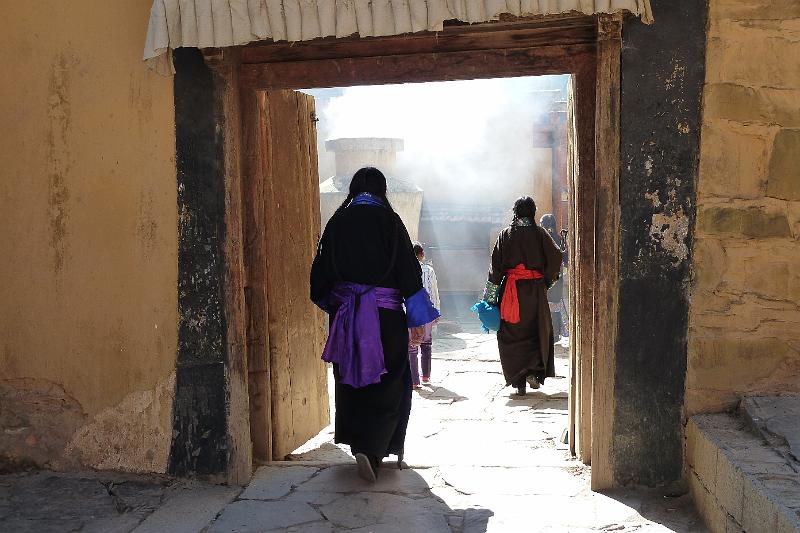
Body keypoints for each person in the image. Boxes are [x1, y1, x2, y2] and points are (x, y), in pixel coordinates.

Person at [310, 167, 439, 482]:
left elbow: (319, 276)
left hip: (346, 316)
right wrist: (417, 319)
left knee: (349, 377)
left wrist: (337, 304)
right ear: (382, 190)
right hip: (386, 319)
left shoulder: (337, 223)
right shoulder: (392, 223)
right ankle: (376, 446)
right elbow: (409, 272)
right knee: (391, 378)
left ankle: (358, 444)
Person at [483, 197, 563, 396]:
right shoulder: (540, 234)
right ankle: (533, 373)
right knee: (536, 333)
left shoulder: (505, 235)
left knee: (511, 335)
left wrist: (490, 298)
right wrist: (546, 282)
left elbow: (495, 269)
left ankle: (519, 380)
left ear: (515, 212)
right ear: (533, 212)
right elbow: (556, 257)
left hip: (511, 294)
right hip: (535, 293)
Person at [408, 242, 440, 389]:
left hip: (410, 313)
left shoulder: (403, 269)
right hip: (426, 312)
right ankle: (425, 376)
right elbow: (434, 293)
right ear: (422, 254)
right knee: (426, 344)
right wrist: (436, 311)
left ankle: (414, 381)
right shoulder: (429, 270)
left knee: (412, 347)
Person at [539, 214, 569, 339]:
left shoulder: (541, 240)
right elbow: (566, 260)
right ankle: (555, 334)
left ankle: (550, 334)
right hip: (557, 278)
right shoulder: (559, 239)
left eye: (541, 224)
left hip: (544, 278)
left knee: (547, 305)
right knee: (554, 305)